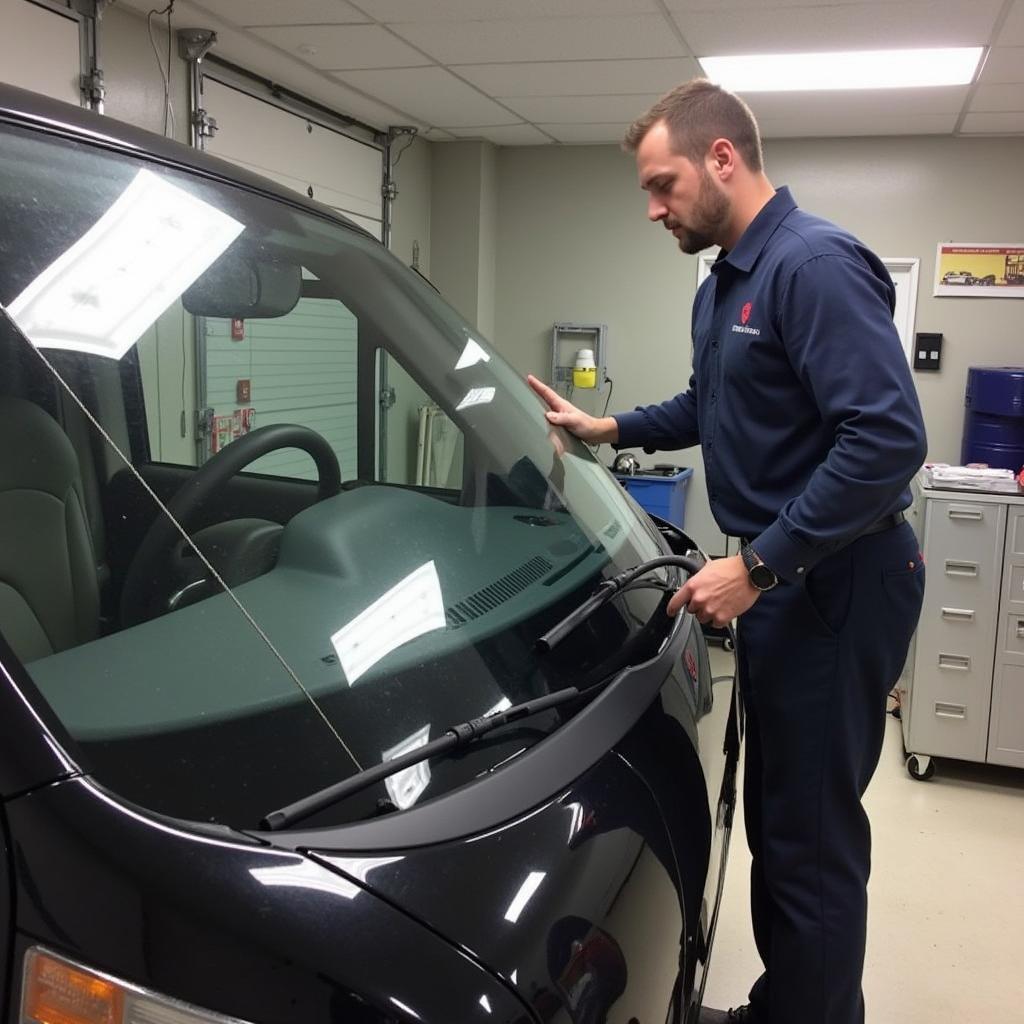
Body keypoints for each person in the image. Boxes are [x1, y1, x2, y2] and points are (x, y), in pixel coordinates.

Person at [527, 79, 927, 1024]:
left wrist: (758, 566)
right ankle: (788, 1001)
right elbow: (710, 408)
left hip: (838, 577)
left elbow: (884, 441)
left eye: (663, 185)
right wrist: (609, 423)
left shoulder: (814, 265)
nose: (655, 208)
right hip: (793, 575)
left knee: (811, 837)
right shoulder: (725, 288)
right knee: (782, 822)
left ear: (722, 158)